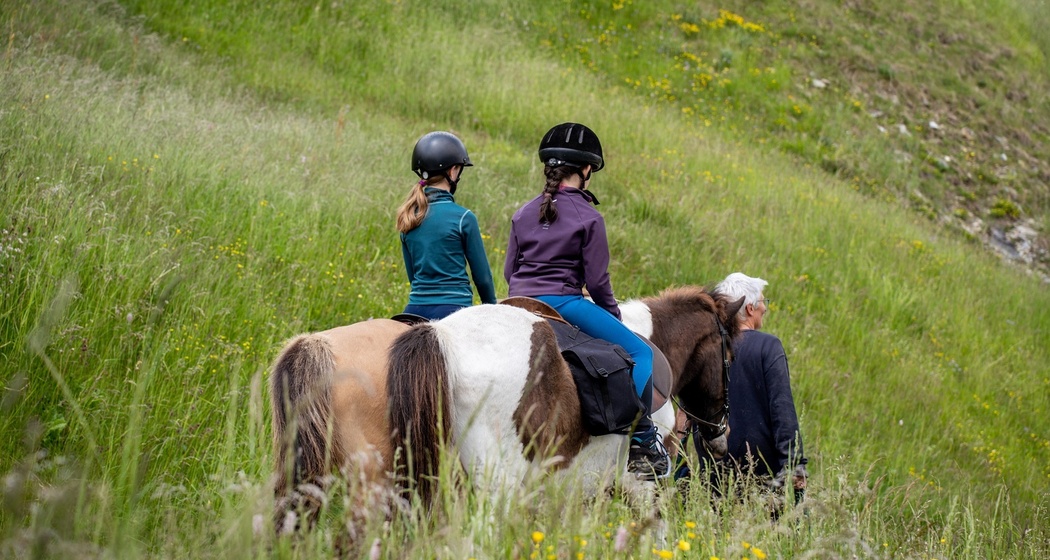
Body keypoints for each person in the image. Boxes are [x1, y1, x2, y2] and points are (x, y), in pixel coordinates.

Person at [504, 122, 670, 480]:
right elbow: (596, 282)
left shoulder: (522, 213)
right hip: (563, 302)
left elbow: (508, 271)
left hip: (516, 301)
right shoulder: (589, 217)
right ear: (587, 169)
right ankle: (642, 441)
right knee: (640, 353)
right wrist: (612, 316)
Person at [711, 272, 808, 507]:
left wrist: (682, 472)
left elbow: (687, 413)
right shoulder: (769, 346)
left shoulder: (709, 347)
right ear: (751, 308)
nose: (765, 308)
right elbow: (781, 408)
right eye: (764, 302)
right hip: (761, 471)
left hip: (714, 469)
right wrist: (794, 463)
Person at [396, 131, 496, 320]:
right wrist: (492, 310)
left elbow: (413, 277)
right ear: (453, 170)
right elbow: (482, 278)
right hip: (453, 308)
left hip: (414, 309)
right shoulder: (464, 218)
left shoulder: (408, 217)